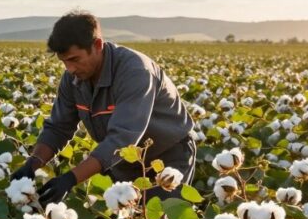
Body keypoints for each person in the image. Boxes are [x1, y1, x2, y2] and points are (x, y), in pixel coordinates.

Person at [11, 11, 196, 204]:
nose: (69, 68)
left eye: (74, 59)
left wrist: (70, 179)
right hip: (122, 162)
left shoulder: (135, 71)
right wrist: (33, 163)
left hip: (167, 159)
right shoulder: (73, 78)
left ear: (97, 45)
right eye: (63, 61)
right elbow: (59, 127)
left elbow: (122, 138)